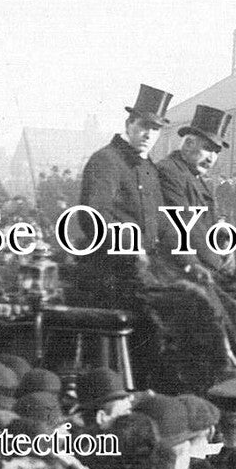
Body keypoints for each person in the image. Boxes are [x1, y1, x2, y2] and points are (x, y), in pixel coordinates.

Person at [74, 83, 172, 304]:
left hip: (145, 270)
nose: (148, 135)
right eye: (144, 126)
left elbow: (161, 221)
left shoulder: (149, 167)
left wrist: (188, 259)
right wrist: (132, 248)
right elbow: (93, 217)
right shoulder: (106, 160)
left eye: (155, 129)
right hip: (112, 272)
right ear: (129, 124)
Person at [157, 104, 234, 273]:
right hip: (177, 266)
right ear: (188, 144)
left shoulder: (198, 179)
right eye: (208, 149)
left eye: (216, 152)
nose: (211, 158)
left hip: (202, 260)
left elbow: (212, 224)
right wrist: (220, 266)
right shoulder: (169, 172)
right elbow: (188, 226)